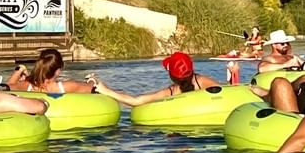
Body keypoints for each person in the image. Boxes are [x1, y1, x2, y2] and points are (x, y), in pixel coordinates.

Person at [89, 52, 220, 105]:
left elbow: (137, 101)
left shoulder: (171, 92)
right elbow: (225, 93)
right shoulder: (202, 82)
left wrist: (106, 90)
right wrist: (233, 75)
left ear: (171, 75)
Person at [7, 48, 94, 93]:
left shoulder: (28, 85)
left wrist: (20, 69)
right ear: (58, 70)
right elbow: (94, 87)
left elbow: (6, 87)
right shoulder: (68, 86)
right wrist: (91, 80)